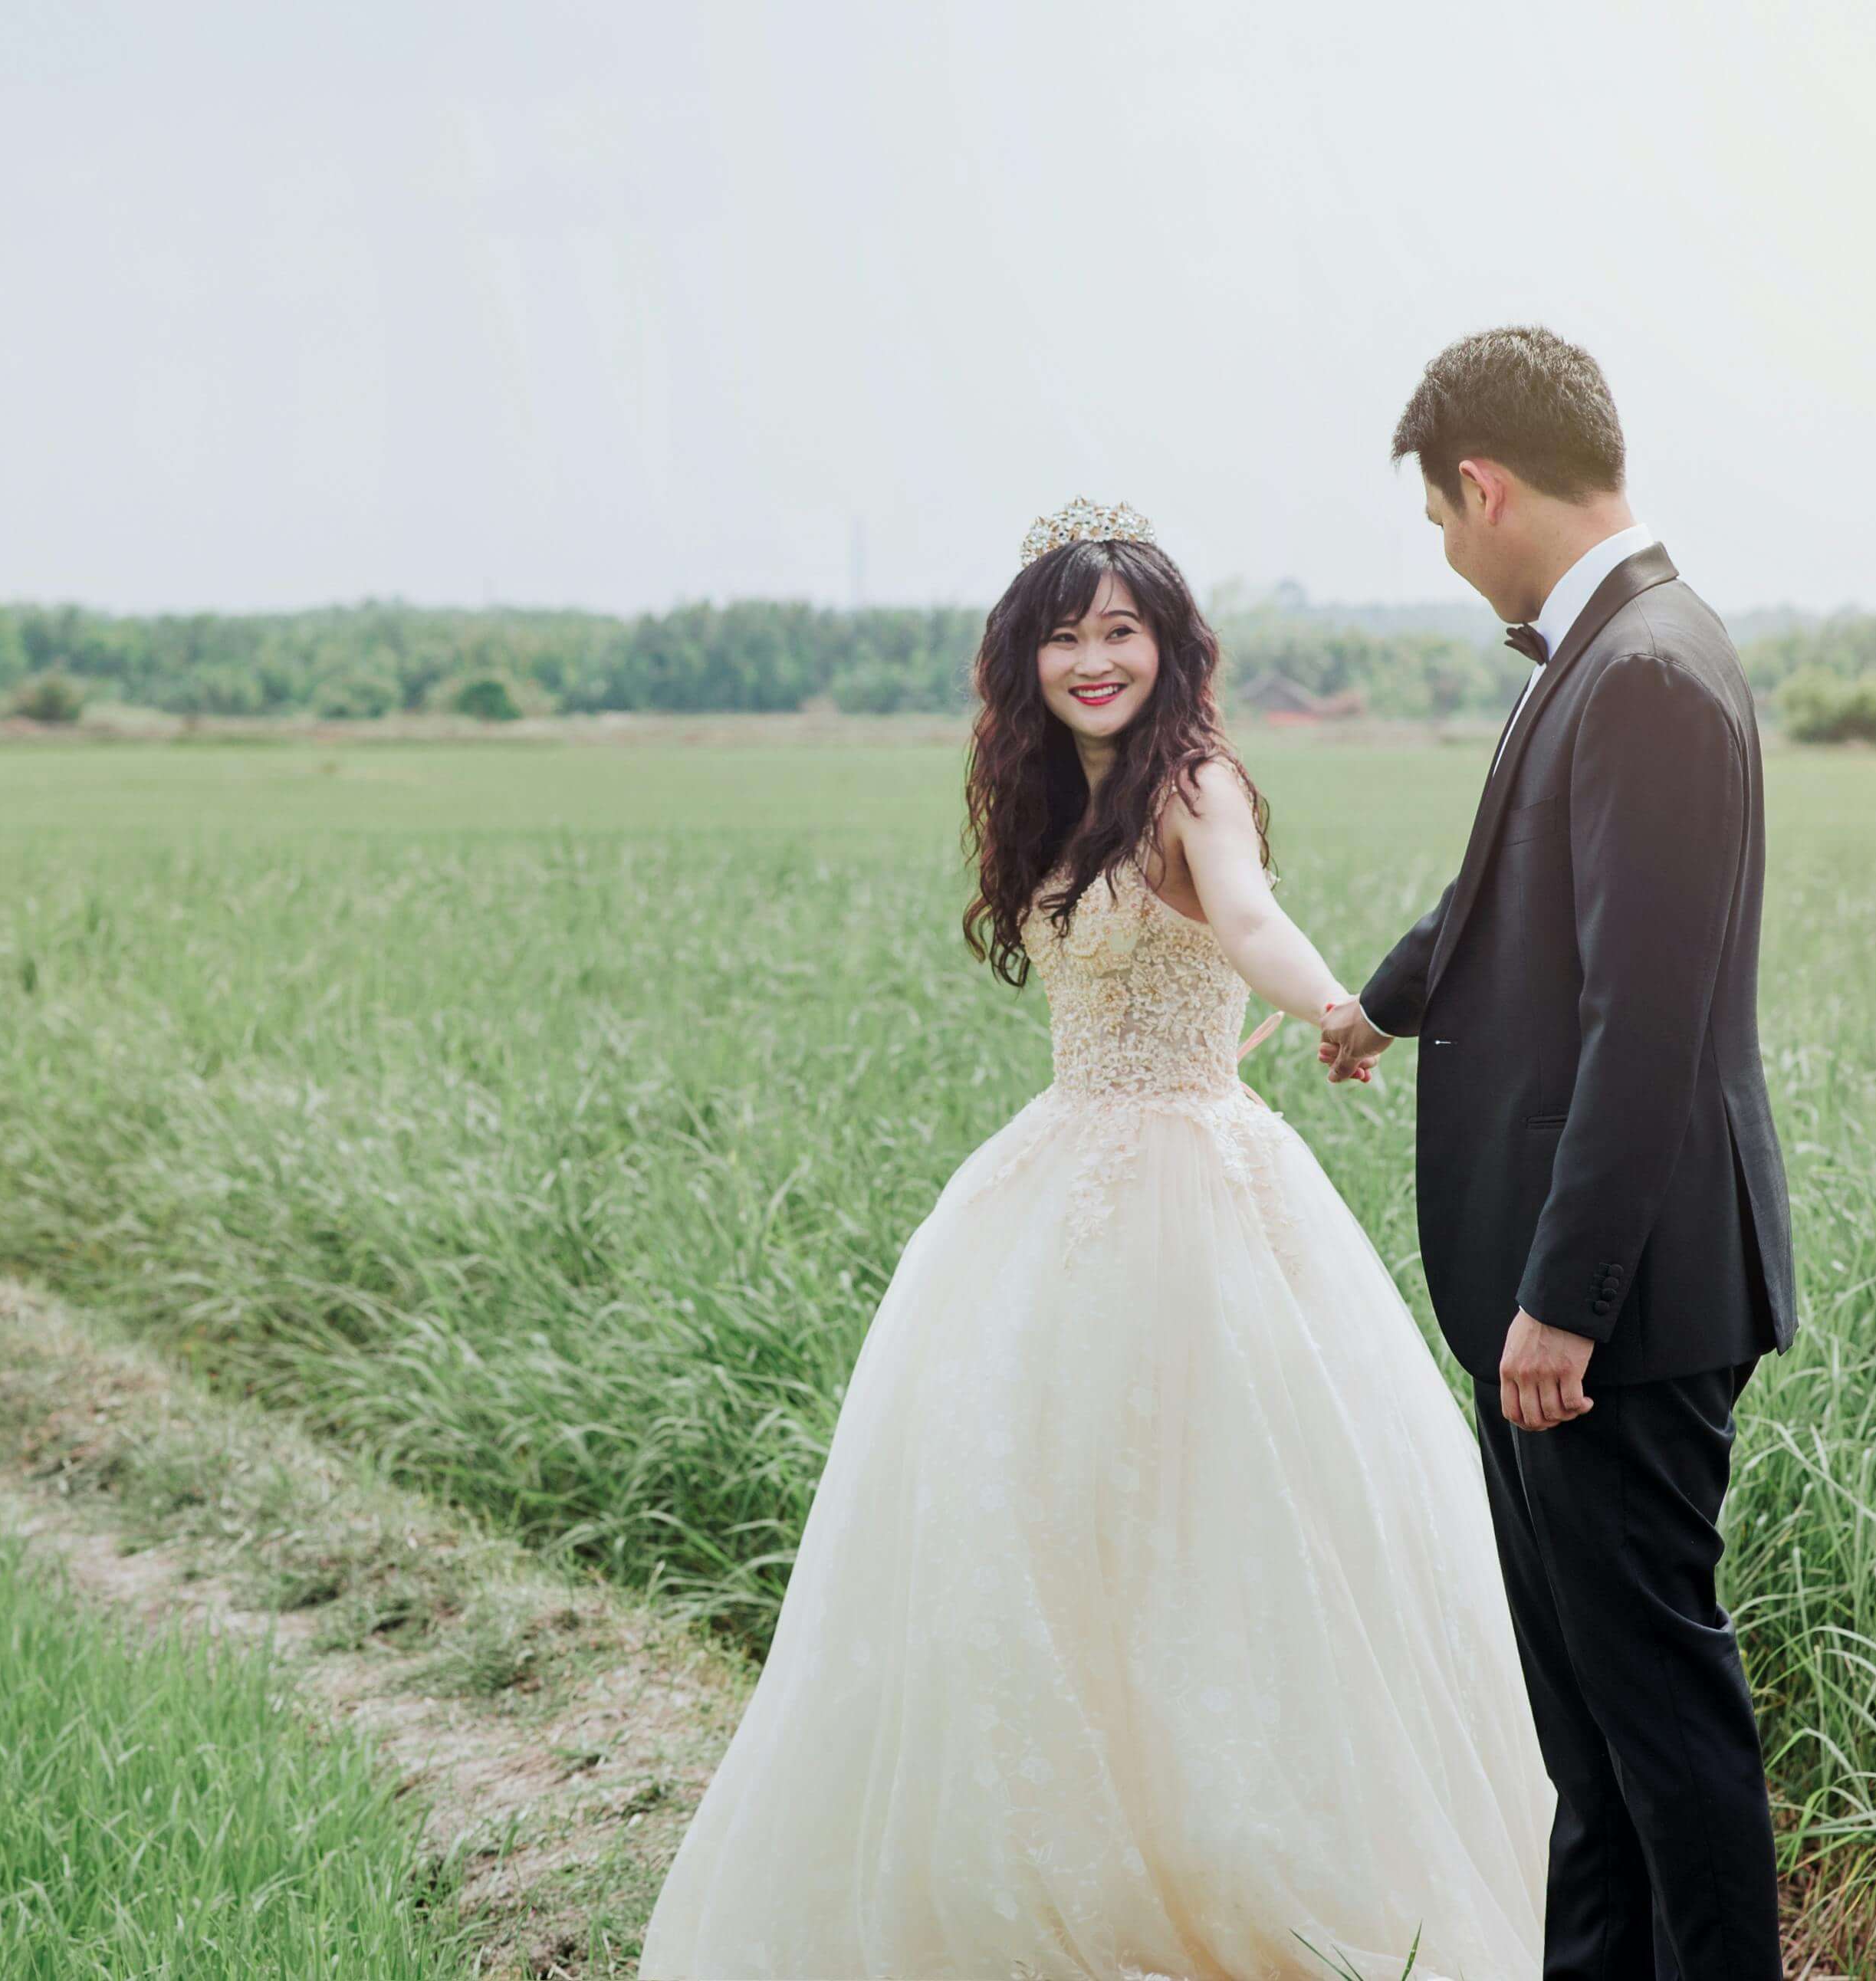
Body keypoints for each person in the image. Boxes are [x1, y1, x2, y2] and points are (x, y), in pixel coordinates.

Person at [639, 498, 1552, 1980]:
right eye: (1063, 636)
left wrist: (1334, 1004)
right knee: (1036, 1526)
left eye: (1119, 630)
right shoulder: (1050, 797)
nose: (1092, 658)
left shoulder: (1196, 780)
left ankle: (1241, 1871)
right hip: (1056, 1182)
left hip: (1193, 1191)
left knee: (1215, 1528)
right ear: (1028, 660)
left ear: (1166, 646)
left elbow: (1247, 918)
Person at [1321, 327, 1799, 1981]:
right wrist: (1381, 1001)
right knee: (1588, 1747)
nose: (1450, 557)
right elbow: (1507, 895)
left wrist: (1564, 1300)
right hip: (1566, 1304)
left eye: (1441, 521)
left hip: (1615, 1314)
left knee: (1658, 1731)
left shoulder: (1650, 668)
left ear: (1483, 482)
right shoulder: (1608, 651)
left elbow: (1644, 1023)